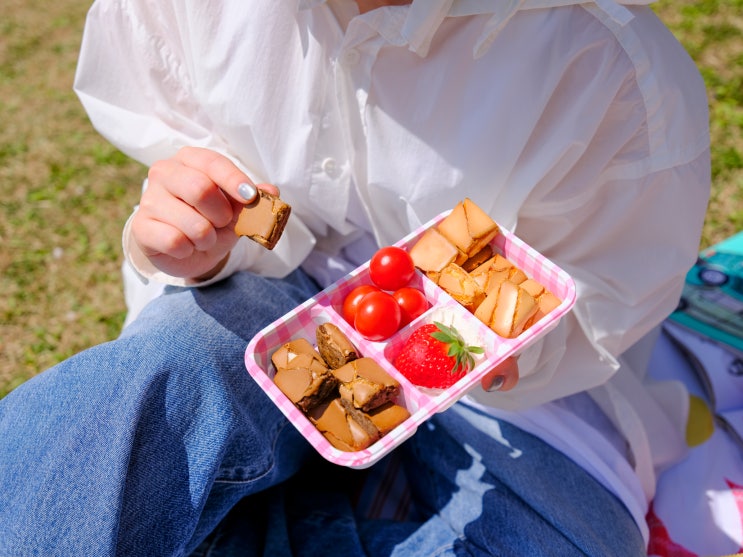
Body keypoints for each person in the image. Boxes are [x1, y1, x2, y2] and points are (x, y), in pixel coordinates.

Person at [0, 0, 710, 555]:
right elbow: (211, 182)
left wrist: (527, 341)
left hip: (507, 398)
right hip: (266, 295)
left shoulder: (600, 61)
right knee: (141, 393)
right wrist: (194, 236)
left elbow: (606, 290)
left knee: (560, 543)